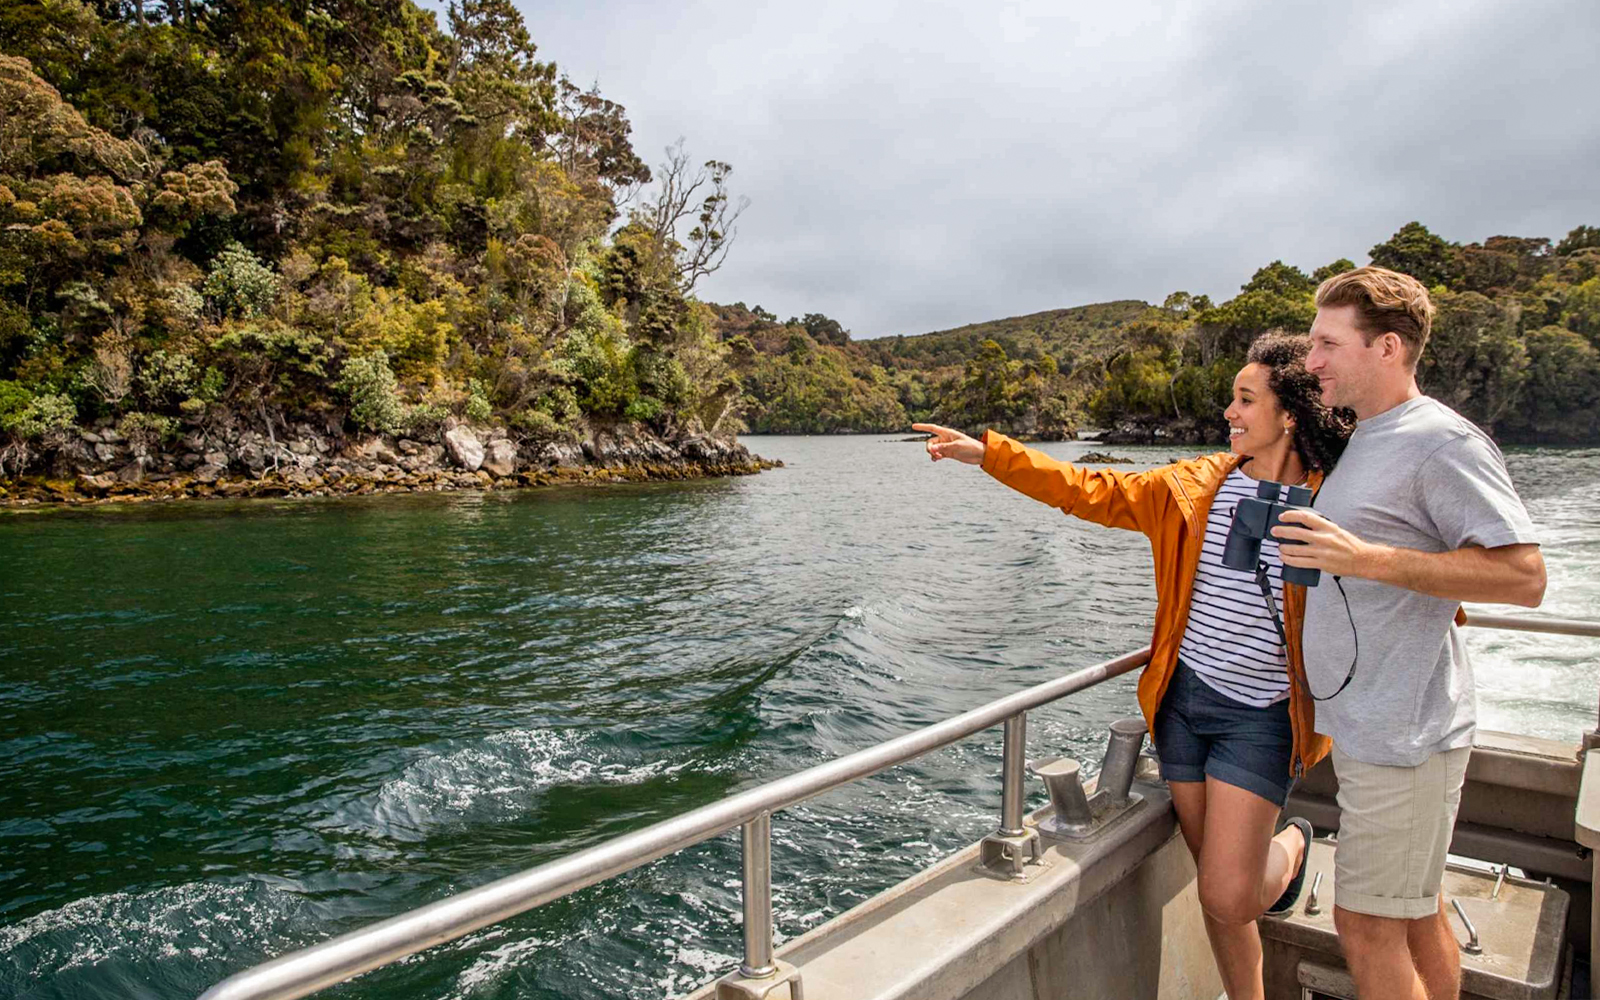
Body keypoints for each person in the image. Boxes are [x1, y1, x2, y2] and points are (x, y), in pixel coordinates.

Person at [915, 332, 1354, 1000]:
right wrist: (989, 456)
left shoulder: (1338, 498)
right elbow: (1087, 488)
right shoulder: (1191, 488)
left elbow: (1385, 594)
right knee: (1216, 887)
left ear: (1290, 413)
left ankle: (1292, 846)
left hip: (1263, 718)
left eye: (1245, 400)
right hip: (1183, 706)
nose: (1229, 413)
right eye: (1230, 401)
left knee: (1229, 891)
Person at [1271, 266, 1546, 1000]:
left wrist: (1364, 560)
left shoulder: (1440, 442)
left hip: (1406, 738)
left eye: (1328, 343)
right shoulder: (1365, 438)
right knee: (1414, 912)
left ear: (1387, 347)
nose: (1313, 362)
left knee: (1363, 924)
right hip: (1377, 730)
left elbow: (1524, 577)